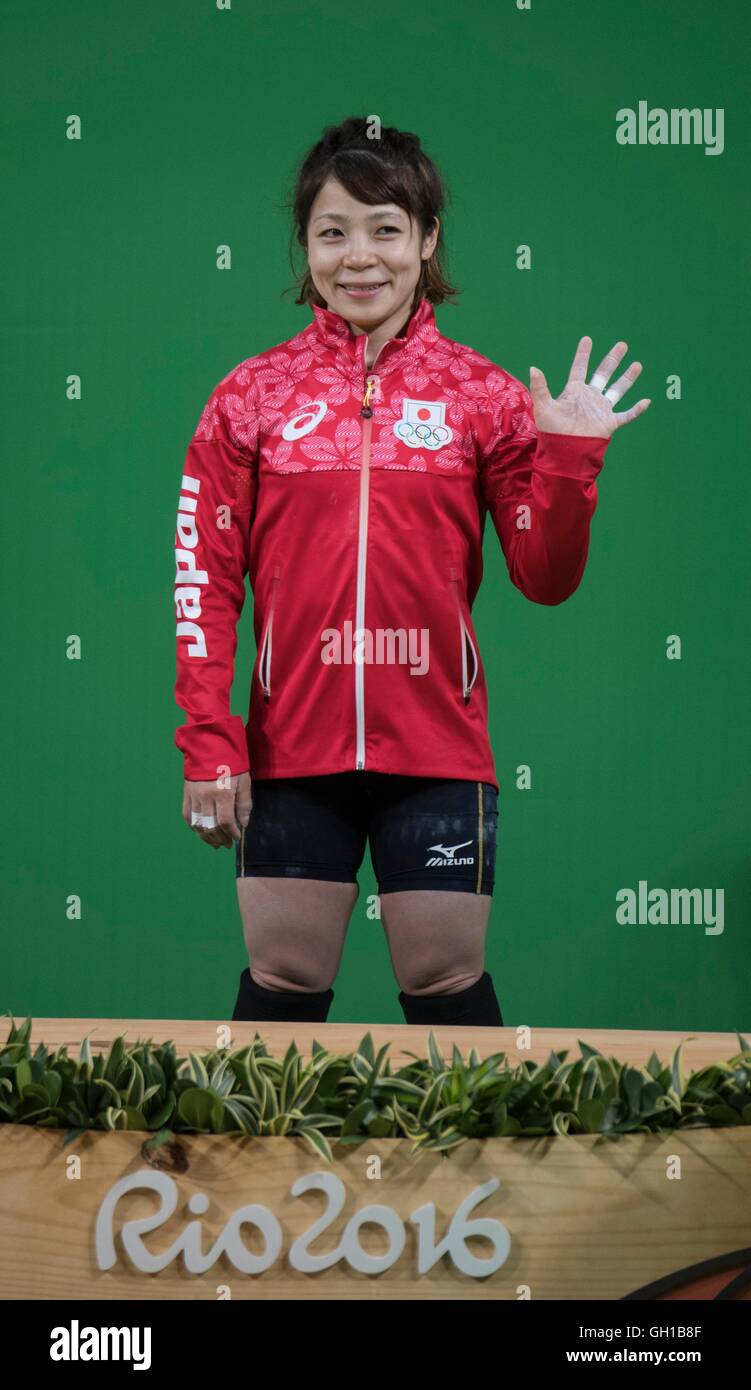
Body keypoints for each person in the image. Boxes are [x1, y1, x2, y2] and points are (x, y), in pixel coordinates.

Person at [172, 116, 650, 1028]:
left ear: (426, 241)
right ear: (305, 245)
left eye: (386, 229)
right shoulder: (251, 395)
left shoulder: (485, 395)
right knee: (281, 986)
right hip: (287, 755)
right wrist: (209, 737)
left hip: (438, 753)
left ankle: (481, 1181)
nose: (360, 256)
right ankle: (253, 1182)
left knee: (444, 988)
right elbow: (203, 574)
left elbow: (545, 576)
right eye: (332, 230)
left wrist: (568, 459)